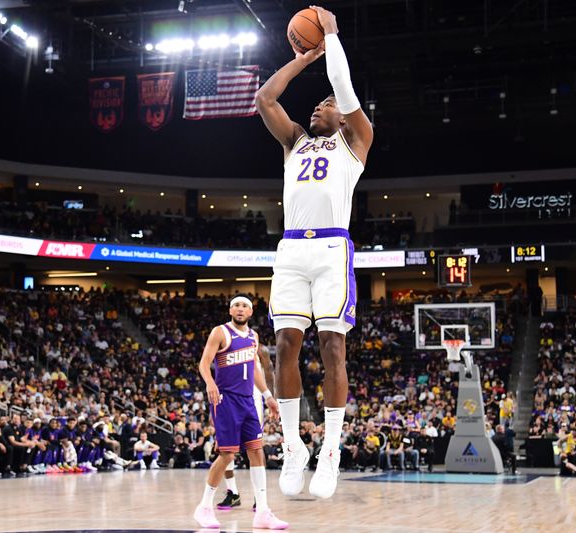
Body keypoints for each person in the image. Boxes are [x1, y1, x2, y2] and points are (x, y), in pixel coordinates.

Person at [255, 5, 373, 499]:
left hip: (330, 249)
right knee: (284, 345)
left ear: (341, 114)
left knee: (333, 348)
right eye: (316, 106)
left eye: (324, 105)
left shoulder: (355, 142)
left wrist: (330, 36)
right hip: (290, 250)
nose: (316, 109)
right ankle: (294, 446)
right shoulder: (295, 144)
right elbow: (265, 98)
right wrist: (303, 58)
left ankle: (330, 451)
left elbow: (343, 88)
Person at [194, 296, 286, 530]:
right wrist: (210, 383)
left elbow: (254, 369)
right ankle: (204, 507)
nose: (240, 309)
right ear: (230, 309)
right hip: (226, 399)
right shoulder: (220, 332)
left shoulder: (254, 337)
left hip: (248, 401)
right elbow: (204, 363)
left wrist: (267, 396)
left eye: (244, 305)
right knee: (227, 454)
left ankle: (263, 511)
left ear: (251, 311)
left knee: (257, 451)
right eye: (236, 305)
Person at [217, 343, 275, 511]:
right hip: (229, 399)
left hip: (254, 399)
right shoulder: (225, 341)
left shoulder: (260, 347)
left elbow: (269, 372)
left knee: (255, 448)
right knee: (224, 448)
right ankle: (232, 493)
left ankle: (259, 496)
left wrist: (270, 397)